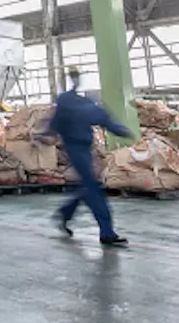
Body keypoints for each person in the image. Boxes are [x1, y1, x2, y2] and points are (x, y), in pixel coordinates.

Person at [44, 69, 133, 247]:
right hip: (75, 149)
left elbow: (102, 117)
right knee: (92, 189)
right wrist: (42, 136)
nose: (77, 81)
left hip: (84, 149)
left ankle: (64, 214)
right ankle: (107, 232)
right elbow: (56, 122)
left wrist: (119, 130)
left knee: (86, 187)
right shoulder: (68, 101)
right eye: (75, 78)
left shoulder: (79, 102)